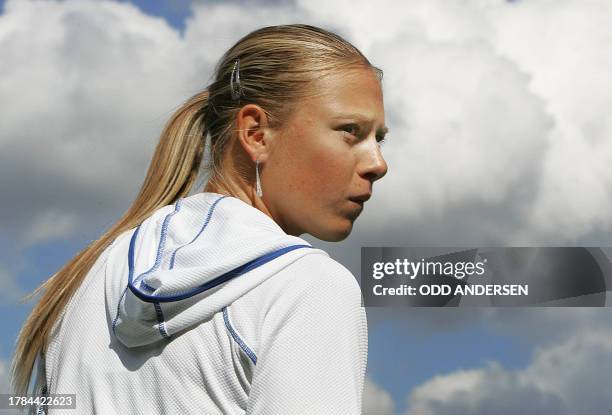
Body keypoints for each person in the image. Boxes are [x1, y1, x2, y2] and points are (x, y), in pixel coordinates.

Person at [11, 24, 388, 414]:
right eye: (350, 131)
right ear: (256, 133)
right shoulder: (306, 286)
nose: (378, 164)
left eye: (379, 139)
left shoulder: (88, 278)